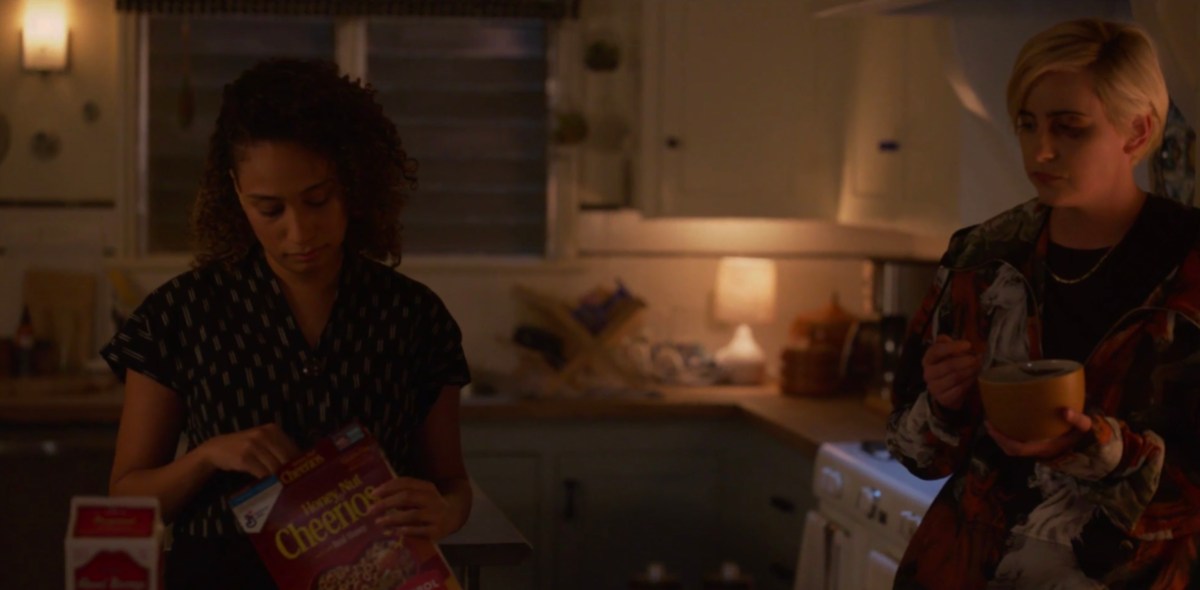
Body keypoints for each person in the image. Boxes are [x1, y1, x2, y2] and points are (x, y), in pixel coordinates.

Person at [102, 58, 473, 589]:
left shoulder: (415, 317)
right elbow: (129, 497)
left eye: (317, 200)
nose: (299, 233)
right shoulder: (179, 313)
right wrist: (208, 456)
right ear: (235, 193)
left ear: (353, 180)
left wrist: (446, 510)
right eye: (269, 209)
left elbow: (452, 482)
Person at [886, 18, 1200, 589]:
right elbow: (913, 453)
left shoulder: (1191, 265)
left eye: (1070, 128)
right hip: (968, 569)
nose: (1041, 149)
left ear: (1137, 132)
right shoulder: (982, 256)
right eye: (1028, 125)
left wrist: (1097, 448)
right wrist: (941, 403)